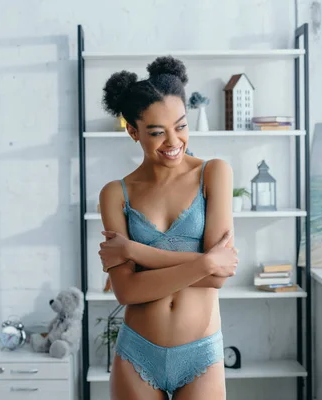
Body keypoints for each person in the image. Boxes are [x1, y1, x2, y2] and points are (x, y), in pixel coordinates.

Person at [98, 56, 238, 400]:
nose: (173, 141)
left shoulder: (214, 173)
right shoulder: (116, 193)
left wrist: (135, 252)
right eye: (157, 132)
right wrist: (204, 262)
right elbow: (127, 291)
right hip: (137, 354)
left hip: (200, 354)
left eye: (181, 126)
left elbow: (220, 276)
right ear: (133, 131)